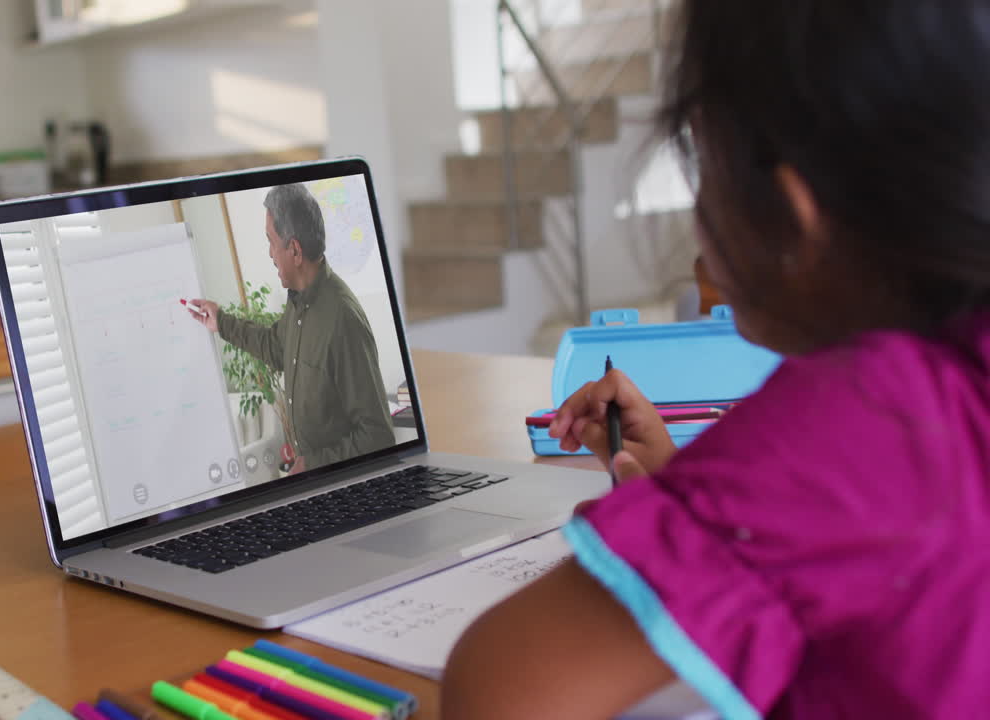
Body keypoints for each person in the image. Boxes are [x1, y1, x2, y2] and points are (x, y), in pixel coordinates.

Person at [443, 0, 990, 717]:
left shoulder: (864, 418)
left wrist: (704, 515)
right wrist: (688, 498)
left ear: (796, 217)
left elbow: (497, 693)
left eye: (701, 159)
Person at [188, 184, 395, 473]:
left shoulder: (343, 320)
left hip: (342, 487)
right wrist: (220, 321)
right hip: (315, 484)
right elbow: (274, 347)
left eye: (271, 241)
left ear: (295, 250)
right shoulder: (298, 302)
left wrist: (312, 465)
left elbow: (378, 437)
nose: (270, 253)